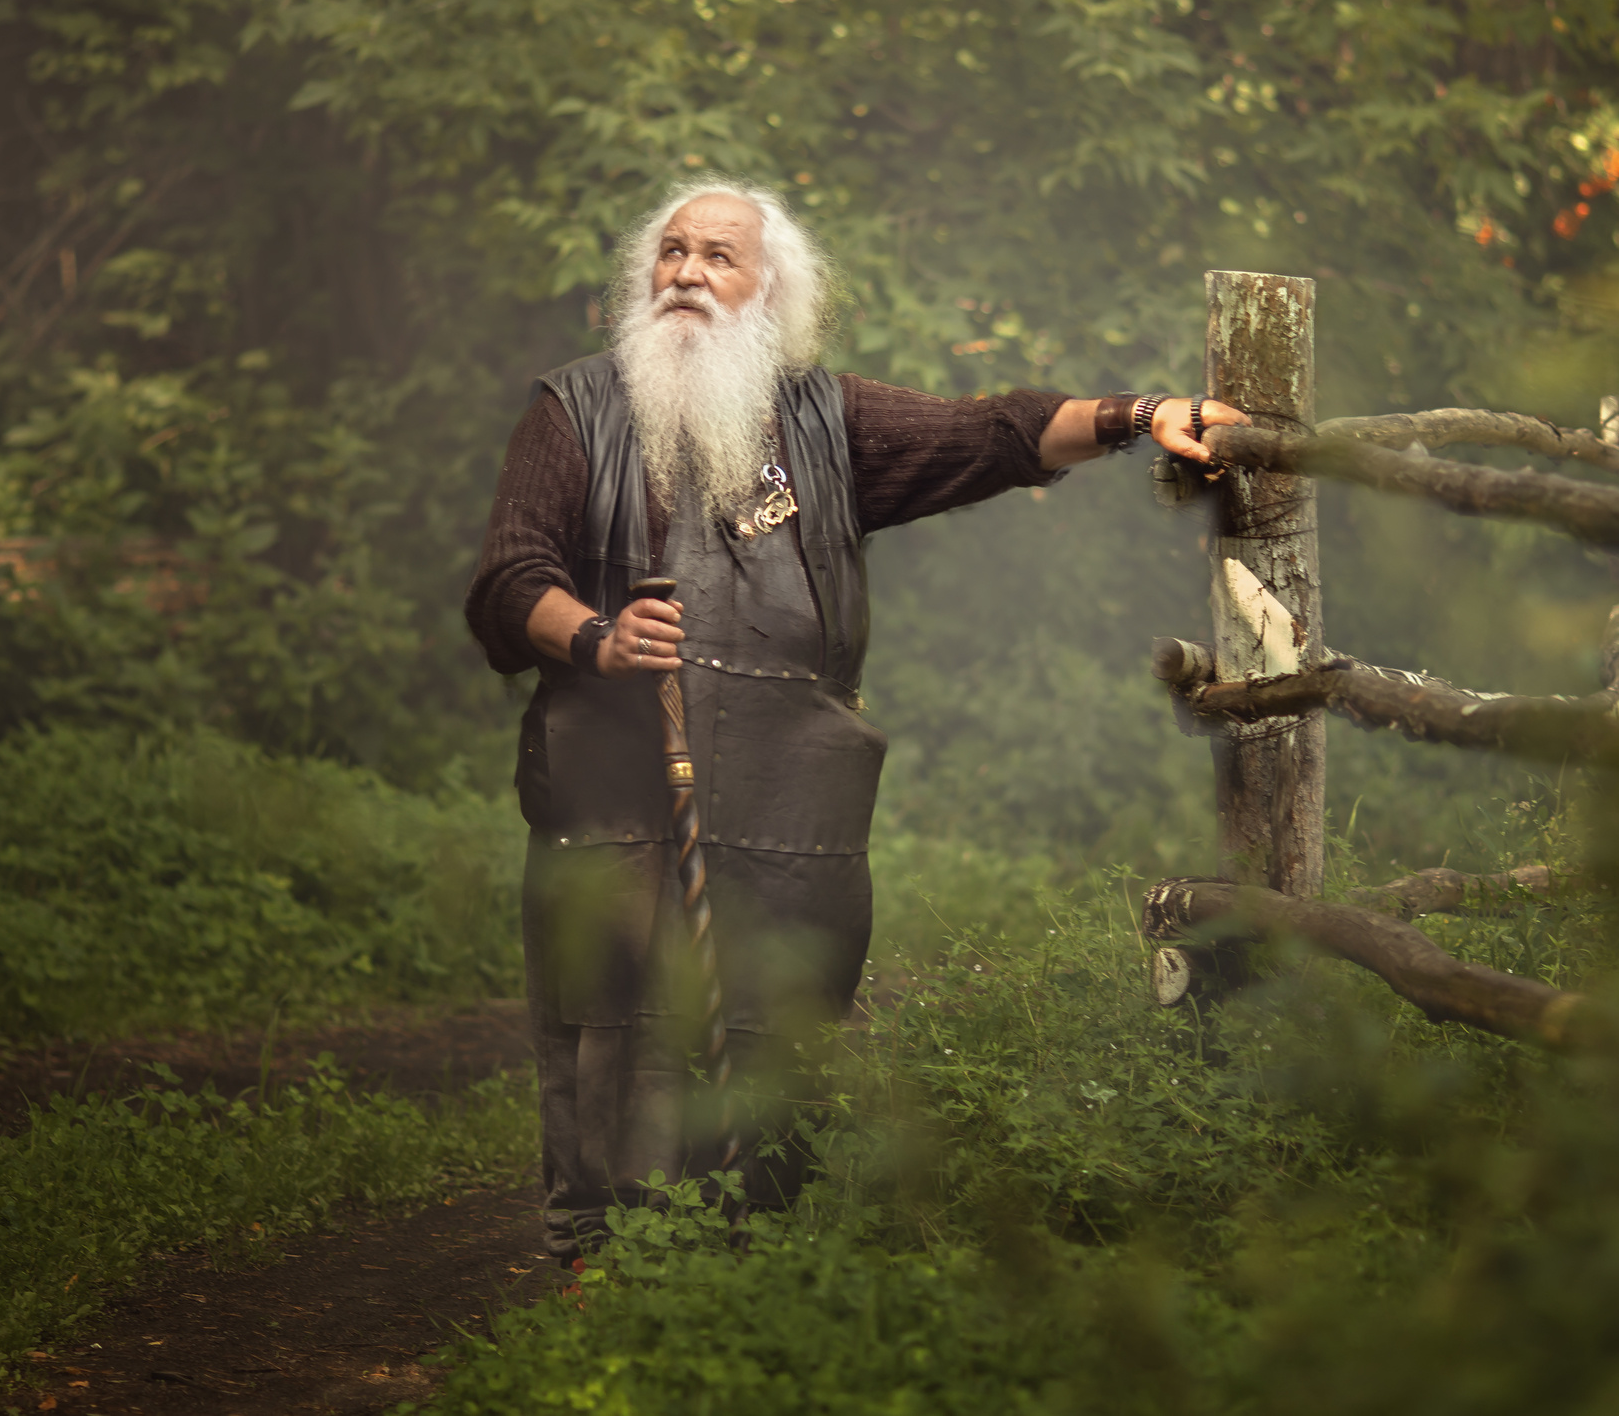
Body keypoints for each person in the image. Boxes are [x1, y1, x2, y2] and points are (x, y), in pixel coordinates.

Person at [464, 176, 1247, 1256]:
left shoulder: (828, 422)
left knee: (780, 1020)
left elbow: (996, 432)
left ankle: (758, 1260)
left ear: (769, 291)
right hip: (615, 793)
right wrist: (598, 638)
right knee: (615, 1025)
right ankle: (609, 1264)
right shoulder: (573, 411)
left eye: (717, 257)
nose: (687, 274)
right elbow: (510, 580)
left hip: (793, 801)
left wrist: (1140, 417)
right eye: (673, 252)